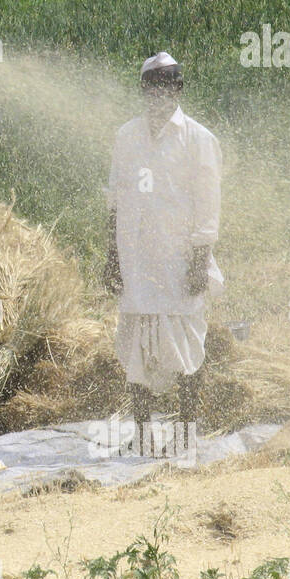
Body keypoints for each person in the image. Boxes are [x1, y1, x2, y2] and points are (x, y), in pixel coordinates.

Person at [103, 52, 223, 432]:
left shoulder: (198, 139)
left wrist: (200, 259)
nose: (160, 94)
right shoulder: (127, 135)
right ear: (143, 90)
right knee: (136, 337)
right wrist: (111, 257)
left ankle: (187, 426)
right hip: (137, 258)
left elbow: (208, 204)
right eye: (153, 87)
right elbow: (115, 198)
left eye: (167, 86)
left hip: (179, 258)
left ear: (179, 88)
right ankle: (141, 431)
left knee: (185, 336)